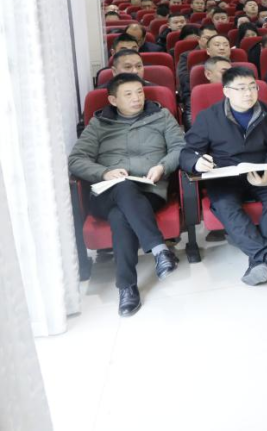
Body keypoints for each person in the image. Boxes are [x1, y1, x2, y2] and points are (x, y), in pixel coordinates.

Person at [68, 74, 185, 316]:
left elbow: (179, 147)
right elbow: (76, 160)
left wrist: (162, 166)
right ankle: (159, 250)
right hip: (107, 192)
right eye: (128, 94)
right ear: (113, 100)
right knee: (122, 186)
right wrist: (104, 172)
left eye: (139, 92)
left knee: (120, 217)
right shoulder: (99, 124)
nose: (136, 98)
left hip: (149, 190)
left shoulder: (161, 116)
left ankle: (127, 287)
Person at [181, 67, 267, 285]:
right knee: (224, 204)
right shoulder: (209, 117)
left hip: (260, 172)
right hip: (226, 176)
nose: (248, 93)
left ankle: (259, 262)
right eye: (241, 88)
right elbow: (187, 152)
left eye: (252, 87)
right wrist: (197, 162)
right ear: (227, 91)